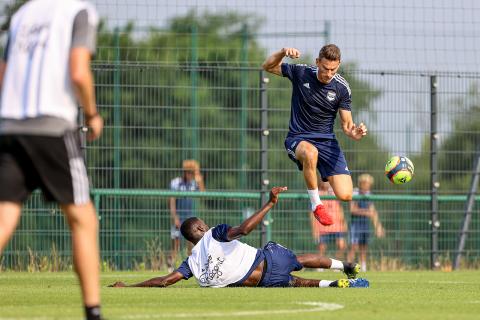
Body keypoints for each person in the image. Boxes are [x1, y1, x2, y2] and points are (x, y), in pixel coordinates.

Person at [0, 1, 103, 319]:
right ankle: (93, 311)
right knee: (83, 220)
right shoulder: (78, 11)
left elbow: (3, 72)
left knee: (4, 217)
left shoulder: (21, 14)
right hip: (53, 127)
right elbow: (78, 71)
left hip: (10, 126)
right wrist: (92, 114)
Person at [110, 187, 368, 289]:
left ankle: (333, 285)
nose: (206, 224)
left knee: (296, 282)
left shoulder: (191, 263)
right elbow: (244, 229)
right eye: (203, 223)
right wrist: (269, 204)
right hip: (266, 260)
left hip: (261, 282)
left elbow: (165, 281)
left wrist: (129, 287)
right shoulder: (215, 234)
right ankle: (345, 266)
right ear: (199, 229)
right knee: (298, 259)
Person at [262, 44, 367, 226]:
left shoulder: (342, 88)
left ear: (338, 65)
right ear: (317, 62)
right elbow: (268, 66)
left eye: (333, 70)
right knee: (310, 153)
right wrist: (282, 52)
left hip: (327, 142)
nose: (328, 73)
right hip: (298, 138)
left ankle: (320, 170)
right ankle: (316, 204)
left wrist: (354, 133)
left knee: (346, 195)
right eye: (325, 68)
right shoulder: (301, 73)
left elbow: (347, 125)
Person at [168, 159, 205, 270]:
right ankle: (170, 266)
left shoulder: (193, 183)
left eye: (192, 173)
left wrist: (199, 178)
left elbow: (203, 193)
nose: (190, 175)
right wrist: (175, 217)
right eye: (188, 172)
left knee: (191, 243)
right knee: (176, 243)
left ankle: (190, 266)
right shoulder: (176, 182)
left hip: (190, 217)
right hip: (179, 216)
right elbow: (172, 201)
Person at [347, 174, 385, 272]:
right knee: (353, 247)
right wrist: (367, 212)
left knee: (364, 247)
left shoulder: (369, 194)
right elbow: (352, 210)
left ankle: (363, 267)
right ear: (361, 183)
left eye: (369, 184)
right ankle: (347, 266)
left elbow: (373, 212)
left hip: (365, 225)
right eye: (366, 183)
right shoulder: (355, 193)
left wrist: (378, 227)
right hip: (356, 225)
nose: (367, 186)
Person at [310, 181, 347, 261]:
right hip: (322, 226)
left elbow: (340, 209)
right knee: (322, 248)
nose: (327, 183)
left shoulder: (334, 193)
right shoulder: (317, 194)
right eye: (325, 181)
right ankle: (320, 266)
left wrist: (344, 223)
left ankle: (336, 263)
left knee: (342, 245)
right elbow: (312, 213)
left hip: (336, 226)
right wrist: (314, 230)